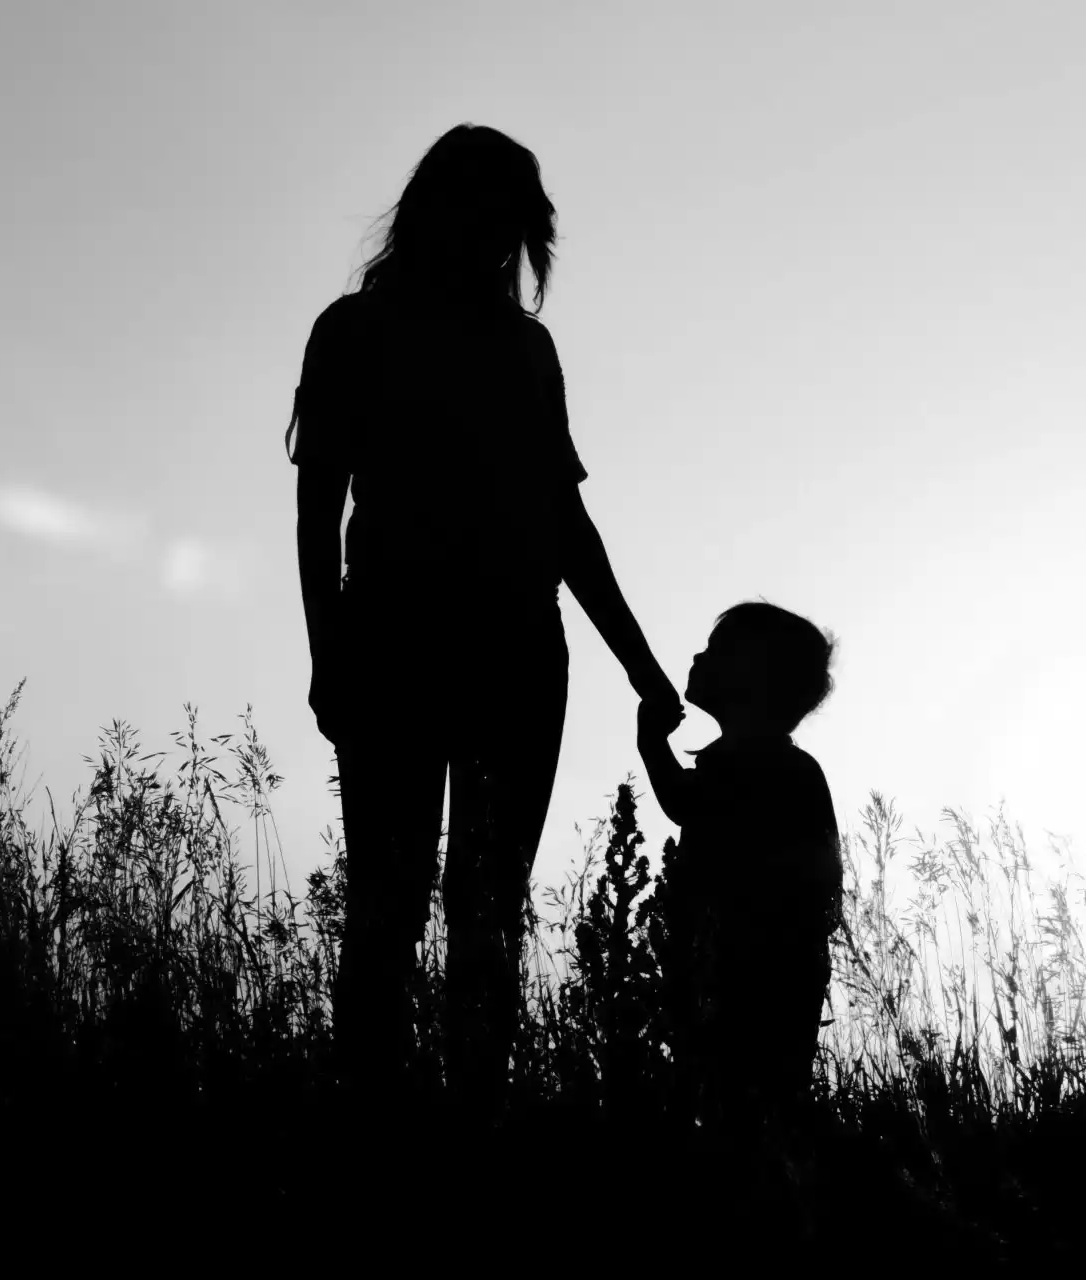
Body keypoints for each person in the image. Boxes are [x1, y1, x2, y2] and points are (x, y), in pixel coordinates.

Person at [288, 123, 683, 1118]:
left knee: (488, 911)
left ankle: (473, 1119)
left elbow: (562, 519)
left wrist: (638, 663)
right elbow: (318, 507)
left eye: (509, 222)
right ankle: (370, 1115)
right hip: (391, 648)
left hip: (516, 658)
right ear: (439, 212)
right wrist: (328, 650)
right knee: (386, 909)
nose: (496, 238)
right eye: (486, 214)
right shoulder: (354, 332)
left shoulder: (526, 350)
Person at [636, 601, 843, 1141]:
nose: (700, 656)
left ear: (752, 679)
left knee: (727, 1100)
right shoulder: (787, 766)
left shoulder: (748, 762)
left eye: (718, 650)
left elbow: (685, 803)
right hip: (778, 968)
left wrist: (650, 744)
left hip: (742, 964)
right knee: (762, 1104)